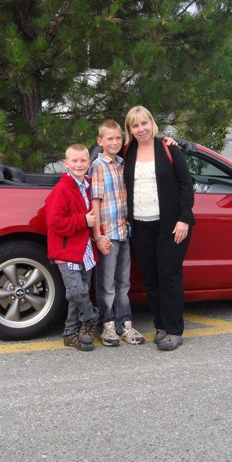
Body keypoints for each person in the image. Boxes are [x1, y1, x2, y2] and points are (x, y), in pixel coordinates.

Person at [122, 106, 195, 351]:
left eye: (144, 123)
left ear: (152, 123)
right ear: (129, 129)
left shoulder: (168, 148)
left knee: (169, 276)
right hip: (140, 226)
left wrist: (184, 218)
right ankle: (160, 326)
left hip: (171, 226)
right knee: (151, 278)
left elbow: (186, 184)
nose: (141, 129)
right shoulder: (128, 150)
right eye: (135, 125)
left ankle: (174, 330)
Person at [89, 120, 146, 346]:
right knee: (106, 283)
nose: (115, 142)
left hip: (123, 232)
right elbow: (95, 203)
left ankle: (125, 324)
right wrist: (98, 236)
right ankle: (107, 325)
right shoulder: (98, 166)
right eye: (110, 138)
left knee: (124, 282)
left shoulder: (122, 164)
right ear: (100, 141)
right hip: (108, 235)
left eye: (118, 138)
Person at [44, 143, 100, 352]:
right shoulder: (62, 189)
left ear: (89, 162)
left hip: (85, 251)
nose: (79, 164)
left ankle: (70, 332)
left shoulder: (87, 184)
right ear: (66, 164)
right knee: (76, 291)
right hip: (67, 251)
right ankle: (93, 316)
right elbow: (55, 223)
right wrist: (83, 221)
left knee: (78, 293)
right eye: (74, 161)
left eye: (83, 160)